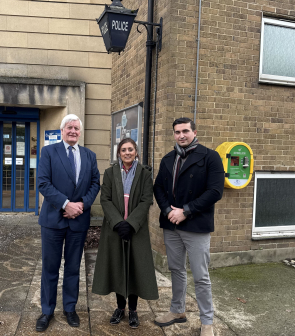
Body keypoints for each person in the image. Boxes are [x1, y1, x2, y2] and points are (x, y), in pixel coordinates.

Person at [153, 118, 224, 336]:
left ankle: (207, 322)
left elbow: (215, 191)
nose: (181, 135)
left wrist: (185, 211)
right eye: (177, 132)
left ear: (194, 132)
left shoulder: (210, 157)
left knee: (201, 275)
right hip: (171, 224)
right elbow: (158, 188)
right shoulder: (168, 158)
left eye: (185, 131)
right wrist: (168, 212)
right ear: (173, 134)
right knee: (176, 270)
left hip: (196, 225)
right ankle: (177, 311)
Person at [36, 114, 100, 332]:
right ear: (62, 130)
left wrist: (81, 205)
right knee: (50, 268)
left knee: (73, 267)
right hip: (53, 221)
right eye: (69, 127)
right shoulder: (48, 152)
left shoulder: (89, 155)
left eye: (76, 128)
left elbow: (95, 183)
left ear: (80, 132)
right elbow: (43, 183)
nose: (73, 131)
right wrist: (66, 205)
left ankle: (70, 308)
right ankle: (47, 311)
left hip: (78, 221)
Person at [92, 138, 158, 329]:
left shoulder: (144, 174)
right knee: (118, 267)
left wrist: (130, 223)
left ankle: (134, 311)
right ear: (119, 153)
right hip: (115, 230)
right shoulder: (111, 172)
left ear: (136, 152)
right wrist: (118, 223)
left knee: (134, 268)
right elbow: (105, 199)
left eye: (130, 149)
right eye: (123, 150)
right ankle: (120, 308)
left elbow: (146, 200)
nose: (127, 153)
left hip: (136, 230)